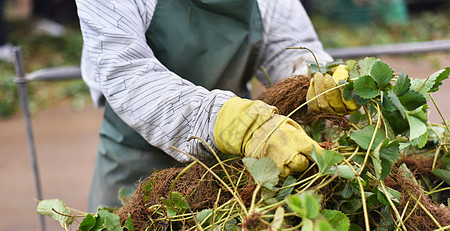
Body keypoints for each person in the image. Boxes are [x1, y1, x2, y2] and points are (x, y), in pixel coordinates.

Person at [75, 0, 354, 212]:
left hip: (227, 166)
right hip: (135, 165)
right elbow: (126, 74)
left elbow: (292, 47)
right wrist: (229, 120)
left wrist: (316, 79)